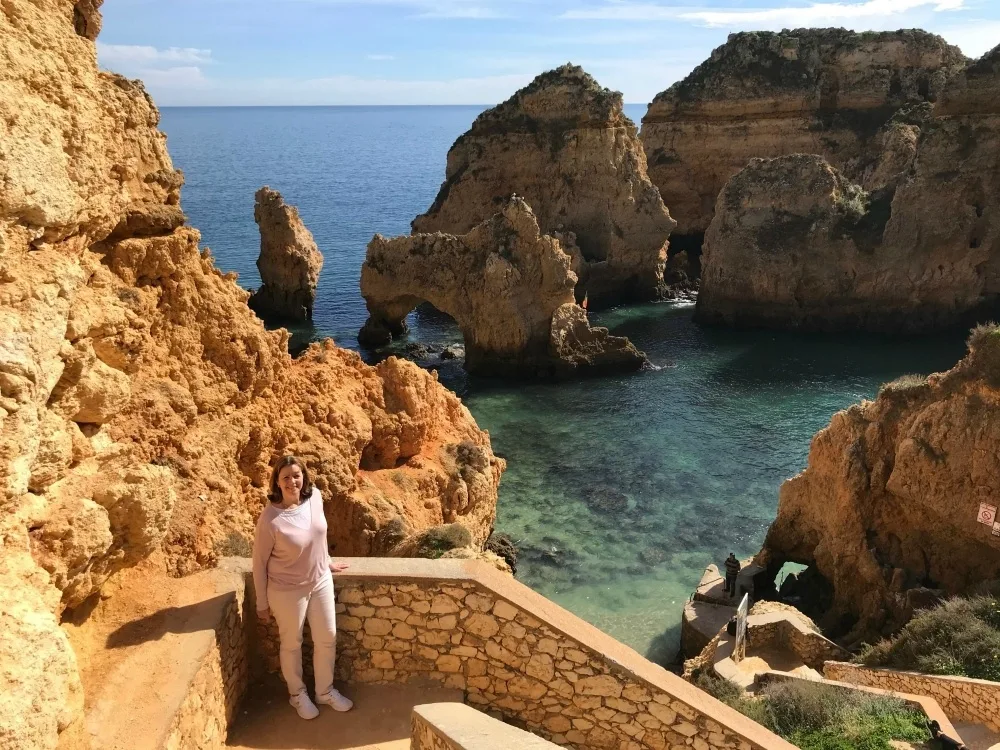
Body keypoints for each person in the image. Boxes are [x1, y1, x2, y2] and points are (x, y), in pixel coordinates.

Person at [253, 455, 354, 720]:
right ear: (276, 481)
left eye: (296, 475)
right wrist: (261, 603)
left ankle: (325, 691)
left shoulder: (315, 497)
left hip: (320, 580)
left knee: (327, 637)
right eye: (285, 477)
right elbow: (259, 562)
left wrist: (327, 561)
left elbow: (318, 533)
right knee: (292, 643)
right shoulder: (271, 519)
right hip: (286, 590)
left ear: (304, 477)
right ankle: (297, 695)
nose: (292, 481)